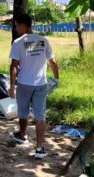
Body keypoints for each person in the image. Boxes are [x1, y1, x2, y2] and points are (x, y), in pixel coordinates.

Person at [9, 14, 59, 159]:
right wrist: (56, 79)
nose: (16, 28)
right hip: (41, 84)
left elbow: (14, 66)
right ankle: (39, 148)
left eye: (17, 25)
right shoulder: (43, 40)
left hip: (24, 84)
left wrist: (12, 85)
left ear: (24, 25)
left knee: (23, 112)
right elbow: (53, 62)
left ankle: (23, 135)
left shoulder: (18, 42)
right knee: (40, 116)